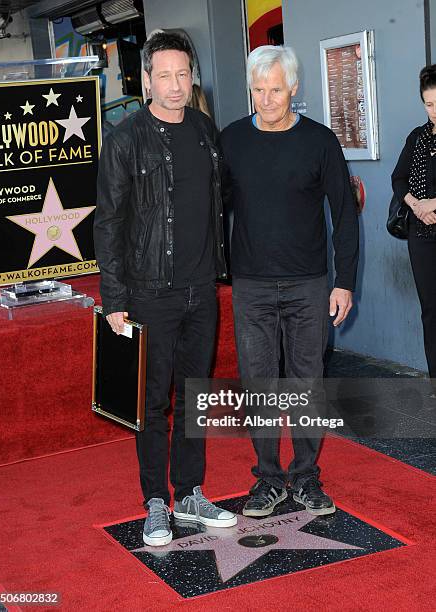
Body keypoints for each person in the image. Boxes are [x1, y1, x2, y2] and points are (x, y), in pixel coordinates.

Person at [94, 31, 236, 547]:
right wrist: (114, 299)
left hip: (202, 288)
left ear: (191, 76)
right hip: (150, 291)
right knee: (153, 402)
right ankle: (157, 503)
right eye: (165, 76)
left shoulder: (203, 129)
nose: (175, 85)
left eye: (183, 75)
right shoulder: (125, 138)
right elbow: (108, 223)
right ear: (146, 79)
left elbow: (221, 201)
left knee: (196, 397)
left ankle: (192, 492)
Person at [220, 45, 359, 517]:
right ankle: (268, 479)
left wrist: (345, 282)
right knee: (259, 384)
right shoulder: (231, 140)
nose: (266, 99)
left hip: (309, 285)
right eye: (258, 90)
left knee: (306, 383)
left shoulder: (320, 142)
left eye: (275, 89)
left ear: (294, 88)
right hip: (252, 286)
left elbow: (344, 214)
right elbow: (214, 209)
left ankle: (305, 476)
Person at [392, 65, 436, 392]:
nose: (434, 110)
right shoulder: (418, 137)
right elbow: (398, 178)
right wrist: (416, 205)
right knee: (430, 313)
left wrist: (432, 204)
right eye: (429, 104)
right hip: (421, 237)